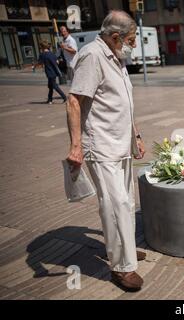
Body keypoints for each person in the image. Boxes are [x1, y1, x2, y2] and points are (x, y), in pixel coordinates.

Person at [66, 10, 147, 292]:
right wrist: (76, 146)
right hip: (101, 145)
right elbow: (74, 101)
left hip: (120, 141)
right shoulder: (92, 56)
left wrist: (135, 134)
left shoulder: (116, 56)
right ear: (115, 37)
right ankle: (121, 267)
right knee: (115, 206)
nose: (133, 44)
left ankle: (123, 247)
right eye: (131, 39)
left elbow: (123, 101)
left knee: (125, 199)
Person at [37, 40, 67, 105]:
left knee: (55, 86)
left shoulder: (42, 55)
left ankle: (64, 97)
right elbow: (57, 62)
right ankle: (49, 99)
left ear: (42, 47)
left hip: (49, 73)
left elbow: (39, 63)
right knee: (50, 86)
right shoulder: (52, 54)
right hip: (54, 72)